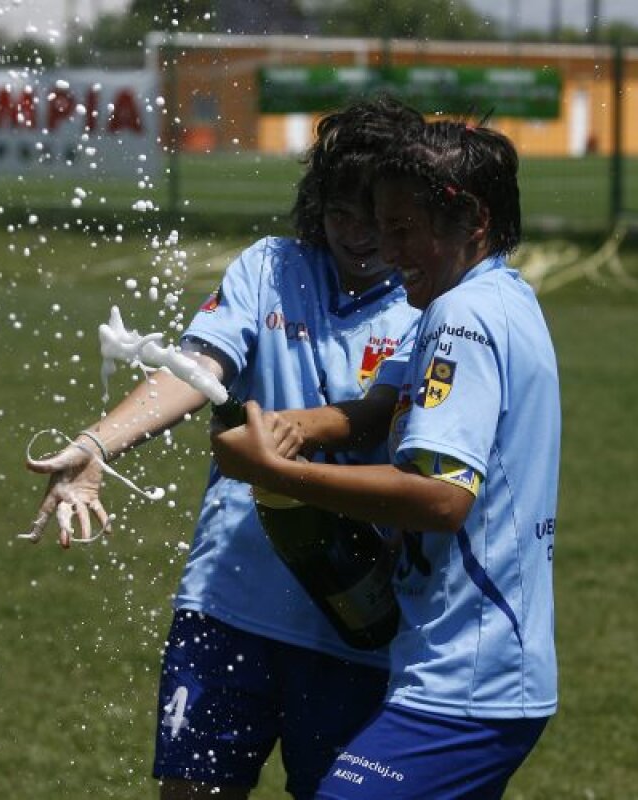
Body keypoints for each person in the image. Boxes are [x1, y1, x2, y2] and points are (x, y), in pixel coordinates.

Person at [21, 96, 424, 800]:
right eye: (340, 215)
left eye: (376, 217)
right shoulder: (270, 267)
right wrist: (98, 444)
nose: (358, 236)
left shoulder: (431, 306)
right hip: (227, 606)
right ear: (315, 207)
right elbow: (196, 367)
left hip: (353, 626)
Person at [211, 120, 561, 799]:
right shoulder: (500, 297)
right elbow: (378, 412)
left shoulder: (463, 319)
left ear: (473, 218)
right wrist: (287, 429)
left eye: (404, 229)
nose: (388, 249)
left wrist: (279, 475)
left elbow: (440, 498)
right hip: (470, 670)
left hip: (468, 679)